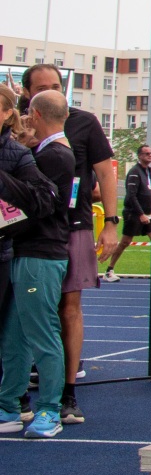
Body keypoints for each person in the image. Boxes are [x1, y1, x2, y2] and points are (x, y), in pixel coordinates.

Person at [22, 64, 115, 425]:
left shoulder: (84, 122)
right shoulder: (18, 125)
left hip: (73, 226)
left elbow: (105, 171)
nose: (50, 91)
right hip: (27, 231)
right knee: (24, 309)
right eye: (41, 87)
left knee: (69, 307)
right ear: (28, 94)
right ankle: (20, 391)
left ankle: (68, 392)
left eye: (56, 86)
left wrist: (111, 222)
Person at [0, 90, 68, 438]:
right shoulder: (37, 151)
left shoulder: (52, 154)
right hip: (23, 250)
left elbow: (45, 203)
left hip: (40, 253)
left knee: (41, 333)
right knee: (14, 337)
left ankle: (50, 410)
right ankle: (9, 405)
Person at [105, 143, 151, 281]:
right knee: (125, 242)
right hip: (134, 213)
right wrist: (141, 214)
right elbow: (131, 195)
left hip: (150, 213)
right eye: (147, 153)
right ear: (139, 156)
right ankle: (109, 270)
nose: (150, 155)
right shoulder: (134, 172)